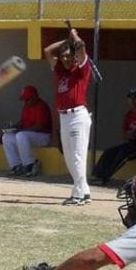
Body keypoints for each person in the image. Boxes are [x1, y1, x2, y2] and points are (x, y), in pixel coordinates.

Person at [44, 27, 93, 206]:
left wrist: (75, 37)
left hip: (78, 115)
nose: (65, 58)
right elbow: (48, 51)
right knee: (69, 157)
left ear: (74, 56)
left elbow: (81, 49)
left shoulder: (81, 69)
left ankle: (78, 194)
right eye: (63, 55)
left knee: (77, 156)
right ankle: (84, 190)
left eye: (68, 55)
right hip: (64, 117)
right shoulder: (60, 71)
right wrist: (65, 41)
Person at [90, 88, 136, 186]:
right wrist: (129, 135)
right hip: (131, 143)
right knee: (108, 152)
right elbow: (125, 133)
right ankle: (97, 176)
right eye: (130, 98)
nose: (132, 101)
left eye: (135, 98)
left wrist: (131, 134)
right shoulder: (129, 114)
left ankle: (104, 178)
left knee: (123, 153)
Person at [2, 85, 52, 177]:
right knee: (7, 137)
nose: (25, 101)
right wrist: (13, 127)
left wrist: (21, 130)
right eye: (24, 99)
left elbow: (40, 126)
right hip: (26, 136)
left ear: (35, 97)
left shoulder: (42, 106)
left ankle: (29, 165)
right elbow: (22, 121)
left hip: (43, 136)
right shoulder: (26, 106)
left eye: (27, 99)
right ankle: (16, 165)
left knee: (21, 135)